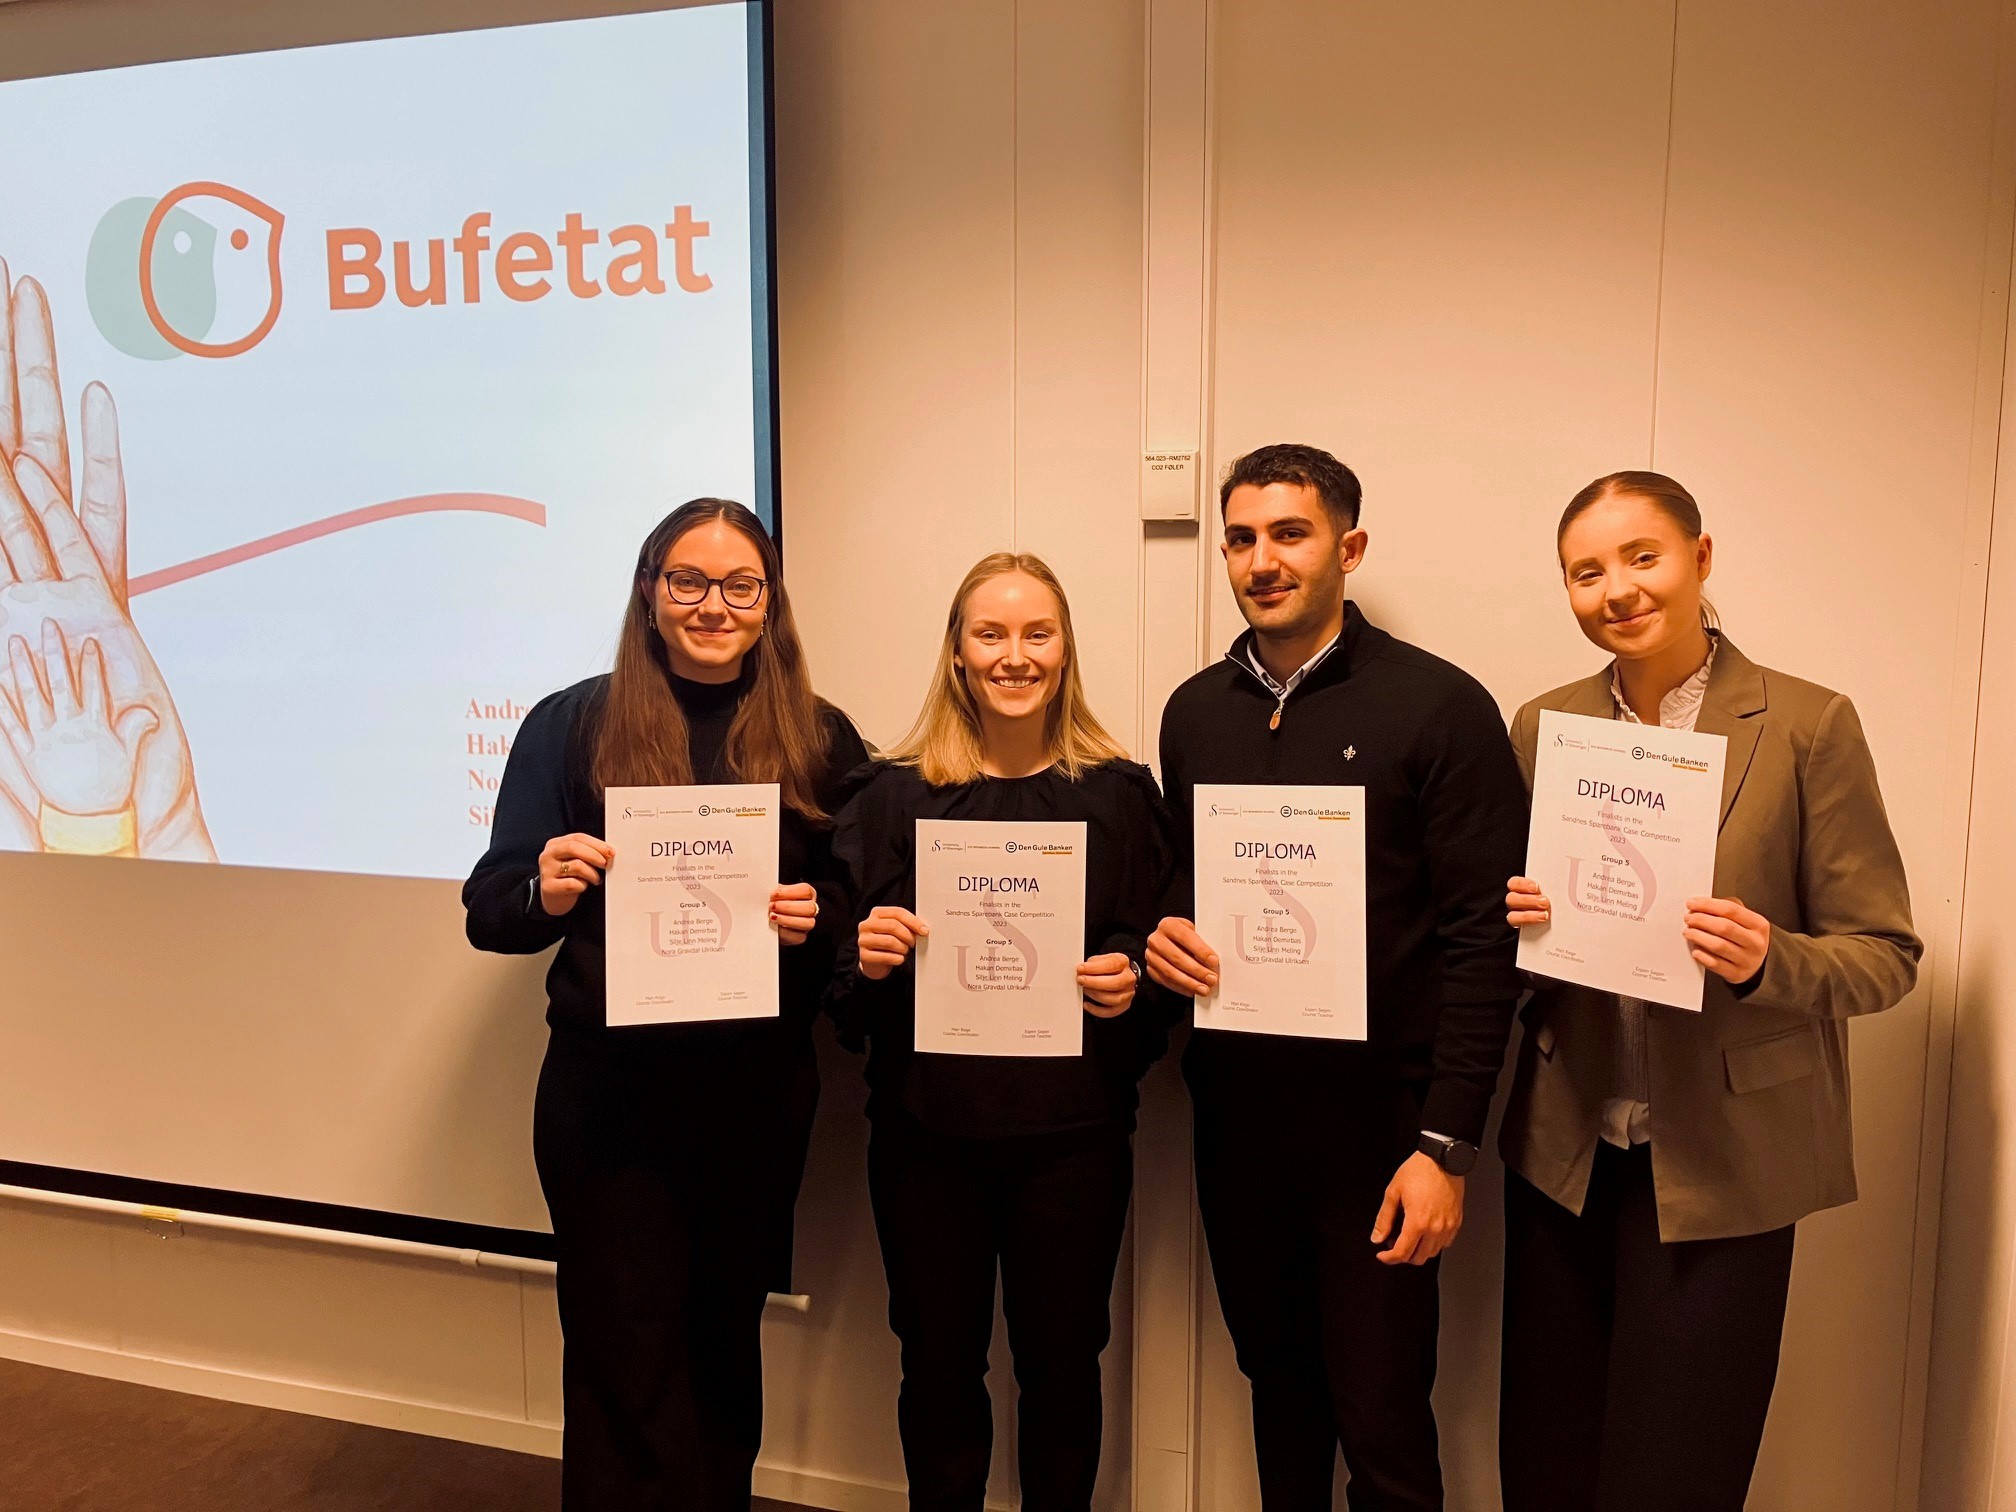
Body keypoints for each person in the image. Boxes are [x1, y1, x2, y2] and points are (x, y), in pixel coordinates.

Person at [1496, 471, 1921, 1512]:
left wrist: (1768, 955)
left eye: (1642, 557)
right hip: (1568, 1149)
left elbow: (1886, 953)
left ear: (1700, 558)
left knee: (1678, 1470)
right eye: (1586, 572)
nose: (1617, 590)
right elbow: (1504, 948)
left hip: (1728, 1162)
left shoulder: (1810, 725)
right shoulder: (1543, 727)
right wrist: (1517, 918)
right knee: (1546, 1460)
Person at [462, 498, 868, 1512]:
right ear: (650, 593)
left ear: (769, 603)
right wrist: (544, 888)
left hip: (754, 1098)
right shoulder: (572, 722)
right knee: (619, 1351)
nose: (714, 605)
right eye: (689, 581)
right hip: (610, 1100)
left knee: (724, 1339)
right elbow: (492, 907)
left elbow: (864, 917)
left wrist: (816, 914)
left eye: (741, 586)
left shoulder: (818, 734)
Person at [1145, 443, 1526, 1511]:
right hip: (1241, 1130)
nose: (1262, 560)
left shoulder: (1440, 708)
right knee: (1279, 1394)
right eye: (1242, 538)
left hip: (1383, 1140)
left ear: (1349, 547)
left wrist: (1445, 1144)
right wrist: (1163, 944)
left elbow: (1480, 943)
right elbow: (1185, 889)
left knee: (1386, 1421)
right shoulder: (1194, 712)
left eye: (1290, 533)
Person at [830, 552, 1173, 1512]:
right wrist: (869, 958)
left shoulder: (1119, 795)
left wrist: (1128, 982)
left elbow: (1154, 969)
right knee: (936, 1371)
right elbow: (840, 997)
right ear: (957, 654)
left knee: (1063, 1370)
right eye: (992, 634)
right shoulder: (889, 795)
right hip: (923, 1140)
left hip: (1072, 1143)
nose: (1014, 655)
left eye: (1037, 634)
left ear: (1065, 653)